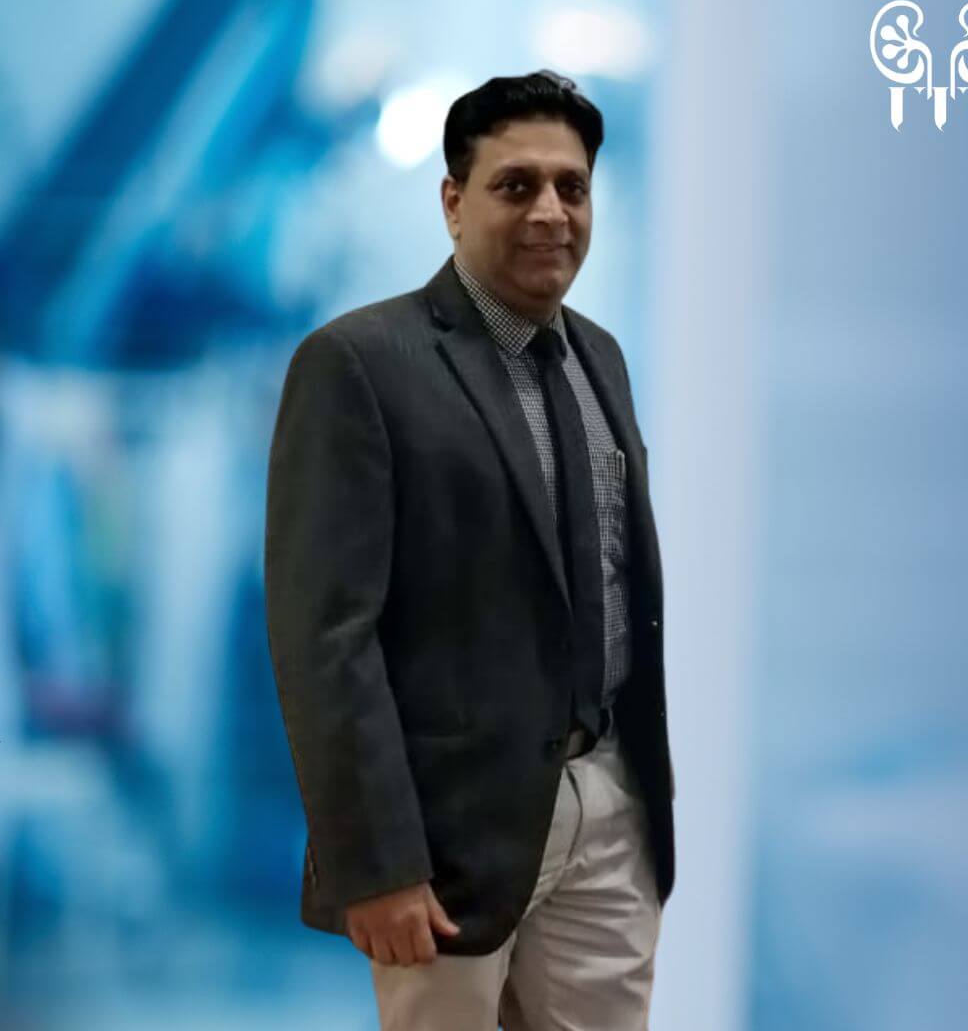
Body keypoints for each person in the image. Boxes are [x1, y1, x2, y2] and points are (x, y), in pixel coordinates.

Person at [264, 70, 675, 1030]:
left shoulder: (600, 357)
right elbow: (325, 637)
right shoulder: (359, 364)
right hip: (444, 843)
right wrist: (375, 861)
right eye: (515, 185)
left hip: (610, 807)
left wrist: (638, 806)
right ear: (453, 202)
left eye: (571, 187)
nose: (550, 212)